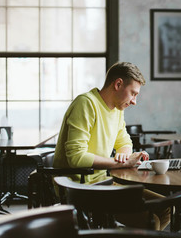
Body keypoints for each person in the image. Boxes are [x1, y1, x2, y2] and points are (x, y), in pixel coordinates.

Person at [53, 61, 170, 230]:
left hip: (104, 183)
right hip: (80, 189)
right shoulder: (86, 104)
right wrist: (120, 163)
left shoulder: (117, 110)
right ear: (118, 84)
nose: (134, 101)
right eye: (133, 94)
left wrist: (124, 154)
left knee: (165, 207)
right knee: (151, 221)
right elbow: (76, 158)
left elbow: (125, 142)